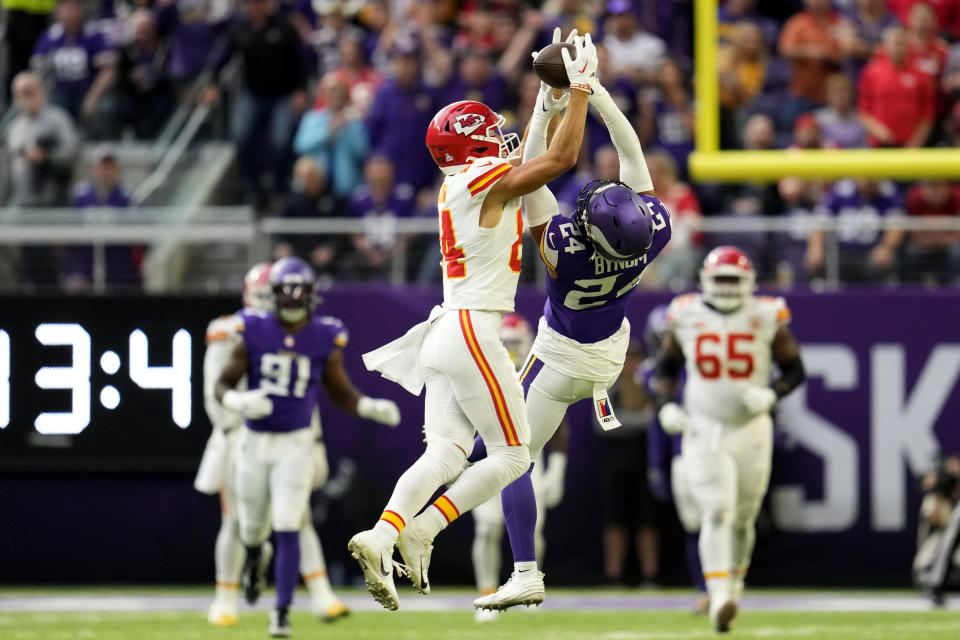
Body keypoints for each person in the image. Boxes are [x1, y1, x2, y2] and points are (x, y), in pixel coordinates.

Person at [353, 29, 597, 613]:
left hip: (446, 330)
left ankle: (382, 533)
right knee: (513, 456)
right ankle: (423, 530)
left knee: (444, 454)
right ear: (470, 144)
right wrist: (581, 89)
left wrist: (548, 98)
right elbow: (559, 160)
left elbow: (531, 157)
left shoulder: (460, 183)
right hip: (472, 329)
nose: (499, 138)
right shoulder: (476, 181)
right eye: (487, 133)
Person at [474, 38, 673, 612]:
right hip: (611, 350)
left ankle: (525, 570)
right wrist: (597, 94)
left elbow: (532, 172)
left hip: (562, 358)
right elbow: (632, 157)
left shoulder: (566, 250)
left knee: (510, 455)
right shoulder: (651, 231)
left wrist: (547, 102)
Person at [214, 257, 401, 637]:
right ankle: (255, 558)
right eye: (286, 289)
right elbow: (222, 383)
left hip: (296, 444)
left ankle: (280, 612)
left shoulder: (324, 335)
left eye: (300, 289)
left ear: (312, 293)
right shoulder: (252, 328)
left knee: (287, 522)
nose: (294, 296)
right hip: (253, 440)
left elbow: (339, 390)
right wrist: (238, 402)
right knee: (251, 529)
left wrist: (366, 406)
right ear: (274, 294)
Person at [655, 246, 807, 633]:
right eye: (719, 279)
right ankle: (718, 594)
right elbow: (666, 368)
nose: (724, 287)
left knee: (743, 518)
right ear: (705, 280)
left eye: (731, 280)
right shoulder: (687, 313)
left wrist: (773, 393)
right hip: (704, 426)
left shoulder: (767, 314)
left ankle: (733, 587)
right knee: (717, 510)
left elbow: (795, 369)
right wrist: (667, 404)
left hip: (753, 428)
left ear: (749, 282)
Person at [471, 314, 568, 624]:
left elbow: (558, 425)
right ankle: (487, 590)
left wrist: (558, 468)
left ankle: (528, 583)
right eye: (506, 343)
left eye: (516, 343)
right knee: (487, 529)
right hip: (487, 459)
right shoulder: (479, 372)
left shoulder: (536, 373)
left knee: (533, 530)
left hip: (528, 458)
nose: (511, 349)